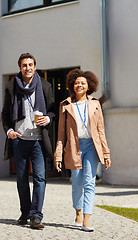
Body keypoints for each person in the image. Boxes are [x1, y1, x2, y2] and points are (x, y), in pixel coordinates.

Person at [1, 53, 55, 229]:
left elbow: (53, 111)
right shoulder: (11, 86)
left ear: (35, 66)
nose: (28, 68)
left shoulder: (45, 86)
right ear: (20, 67)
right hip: (20, 139)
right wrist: (9, 131)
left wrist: (47, 119)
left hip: (38, 140)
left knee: (40, 178)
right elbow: (5, 113)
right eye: (24, 65)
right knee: (22, 180)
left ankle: (36, 215)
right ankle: (25, 212)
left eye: (31, 64)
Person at [54, 68, 111, 232]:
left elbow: (101, 131)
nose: (80, 85)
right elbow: (60, 134)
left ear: (88, 86)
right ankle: (78, 212)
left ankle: (87, 219)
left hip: (92, 146)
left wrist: (106, 153)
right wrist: (58, 155)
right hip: (73, 147)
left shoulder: (95, 104)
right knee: (77, 183)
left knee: (89, 182)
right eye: (77, 82)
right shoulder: (65, 105)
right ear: (72, 85)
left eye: (83, 83)